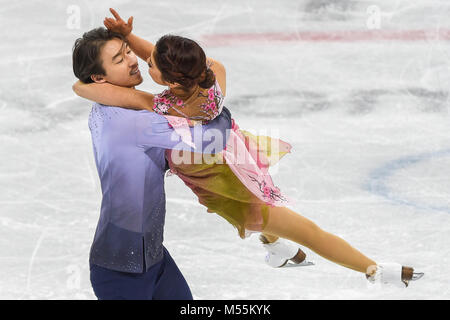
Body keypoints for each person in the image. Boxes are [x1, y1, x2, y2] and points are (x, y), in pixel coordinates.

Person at [74, 8, 424, 288]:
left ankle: (374, 270)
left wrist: (86, 83)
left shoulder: (161, 108)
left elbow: (92, 90)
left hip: (223, 182)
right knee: (267, 216)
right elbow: (184, 66)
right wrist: (129, 37)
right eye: (124, 57)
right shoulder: (212, 81)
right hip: (239, 165)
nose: (138, 58)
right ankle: (275, 247)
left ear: (169, 80)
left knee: (297, 228)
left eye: (141, 58)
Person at [72, 27, 233, 299]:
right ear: (99, 77)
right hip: (120, 271)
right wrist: (213, 104)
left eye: (128, 51)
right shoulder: (134, 122)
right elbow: (214, 139)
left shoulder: (110, 107)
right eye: (119, 60)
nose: (133, 60)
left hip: (153, 257)